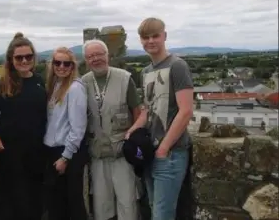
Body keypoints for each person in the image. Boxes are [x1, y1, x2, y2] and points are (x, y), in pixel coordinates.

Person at [128, 17, 194, 220]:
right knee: (154, 207)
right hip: (150, 151)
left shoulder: (177, 66)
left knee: (162, 214)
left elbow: (185, 111)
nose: (150, 41)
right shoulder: (146, 72)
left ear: (164, 36)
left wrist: (164, 148)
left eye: (155, 35)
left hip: (171, 153)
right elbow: (147, 110)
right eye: (145, 37)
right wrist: (132, 131)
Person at [0, 32, 48, 220]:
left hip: (36, 153)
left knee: (36, 203)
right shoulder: (4, 83)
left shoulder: (39, 81)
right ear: (11, 59)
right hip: (11, 155)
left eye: (29, 56)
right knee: (14, 205)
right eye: (19, 57)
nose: (25, 60)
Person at [81, 39, 143, 220]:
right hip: (97, 155)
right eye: (90, 56)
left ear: (108, 55)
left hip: (122, 154)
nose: (95, 59)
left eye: (99, 54)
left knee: (128, 204)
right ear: (86, 60)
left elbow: (138, 113)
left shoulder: (125, 79)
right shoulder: (82, 83)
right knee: (102, 208)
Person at [43, 46, 89, 220]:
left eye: (66, 63)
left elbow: (78, 127)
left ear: (72, 66)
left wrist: (65, 157)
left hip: (67, 153)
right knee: (56, 204)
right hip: (53, 151)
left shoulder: (75, 88)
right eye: (57, 62)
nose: (61, 66)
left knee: (72, 204)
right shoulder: (55, 86)